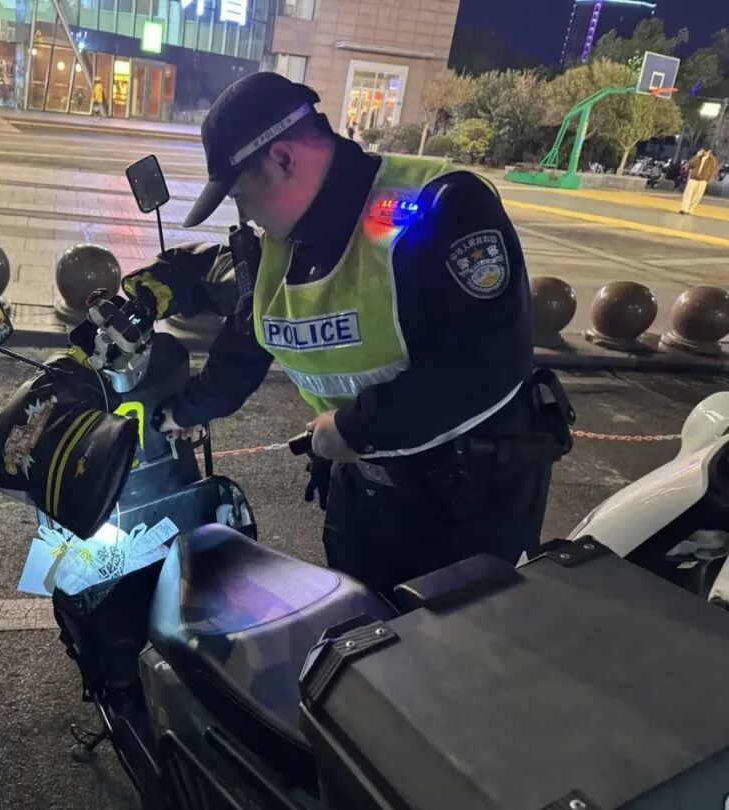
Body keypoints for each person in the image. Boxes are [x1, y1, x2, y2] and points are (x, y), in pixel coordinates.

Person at [123, 73, 571, 596]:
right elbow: (248, 337)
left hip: (472, 499)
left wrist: (356, 430)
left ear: (283, 159)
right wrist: (182, 407)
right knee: (361, 628)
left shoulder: (445, 205)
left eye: (241, 194)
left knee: (454, 642)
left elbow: (487, 362)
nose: (243, 214)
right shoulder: (282, 239)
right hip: (363, 492)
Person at [680, 147, 718, 215]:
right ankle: (684, 209)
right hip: (693, 179)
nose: (705, 152)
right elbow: (691, 165)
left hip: (703, 180)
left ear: (709, 151)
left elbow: (712, 170)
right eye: (704, 150)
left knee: (697, 196)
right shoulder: (698, 157)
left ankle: (690, 210)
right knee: (687, 194)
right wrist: (697, 156)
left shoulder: (712, 159)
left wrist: (708, 178)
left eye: (706, 151)